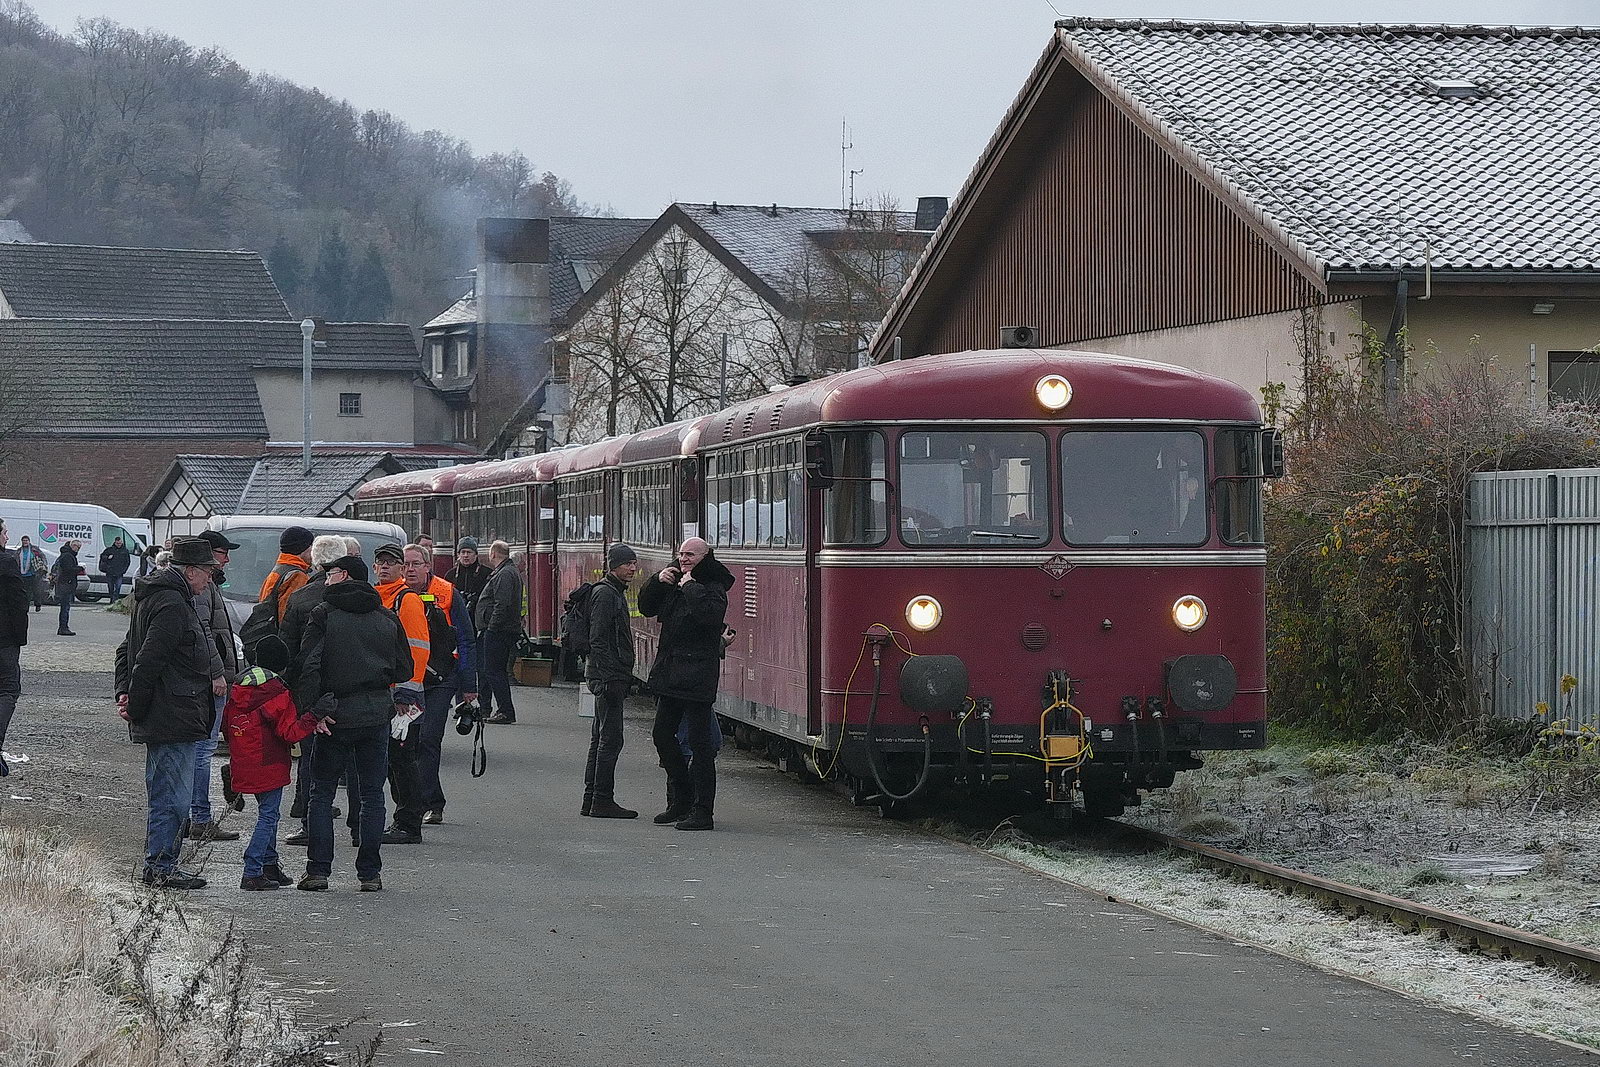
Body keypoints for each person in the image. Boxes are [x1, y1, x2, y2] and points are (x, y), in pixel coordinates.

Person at [292, 553, 411, 892]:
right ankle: (370, 873)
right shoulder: (386, 616)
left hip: (334, 713)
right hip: (375, 713)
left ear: (341, 577)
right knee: (372, 794)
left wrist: (313, 710)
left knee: (321, 792)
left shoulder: (324, 614)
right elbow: (404, 668)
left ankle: (318, 871)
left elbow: (308, 665)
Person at [114, 537, 223, 890]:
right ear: (190, 571)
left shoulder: (156, 597)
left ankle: (161, 863)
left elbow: (127, 650)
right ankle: (161, 866)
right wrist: (134, 704)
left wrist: (125, 692)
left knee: (168, 793)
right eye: (207, 571)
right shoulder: (173, 604)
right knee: (172, 797)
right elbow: (147, 659)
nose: (210, 578)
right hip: (172, 714)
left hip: (169, 712)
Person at [639, 536, 734, 831]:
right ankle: (682, 798)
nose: (684, 559)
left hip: (697, 676)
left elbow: (710, 617)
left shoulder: (714, 584)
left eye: (690, 554)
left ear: (705, 556)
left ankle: (703, 811)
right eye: (681, 553)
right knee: (662, 735)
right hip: (671, 672)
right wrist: (656, 581)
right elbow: (646, 608)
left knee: (700, 745)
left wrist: (690, 586)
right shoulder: (674, 577)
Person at [223, 634, 321, 891]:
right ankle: (252, 869)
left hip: (244, 760)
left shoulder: (238, 689)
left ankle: (269, 864)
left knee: (268, 814)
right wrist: (313, 717)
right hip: (270, 762)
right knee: (268, 816)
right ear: (282, 665)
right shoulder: (278, 693)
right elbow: (290, 733)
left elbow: (226, 726)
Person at [395, 542, 476, 828]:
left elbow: (466, 639)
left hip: (441, 678)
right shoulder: (394, 594)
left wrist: (469, 686)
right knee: (407, 742)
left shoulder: (447, 592)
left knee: (429, 739)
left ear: (428, 566)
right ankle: (413, 803)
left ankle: (432, 804)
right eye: (405, 564)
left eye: (416, 564)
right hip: (407, 679)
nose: (410, 569)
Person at [279, 534, 350, 842]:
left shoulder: (300, 598)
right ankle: (359, 826)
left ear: (315, 561)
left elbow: (288, 647)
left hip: (309, 690)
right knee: (354, 760)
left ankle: (309, 818)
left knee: (311, 757)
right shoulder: (361, 597)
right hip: (348, 689)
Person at [370, 543, 429, 843]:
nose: (384, 567)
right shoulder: (376, 598)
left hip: (403, 699)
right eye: (380, 562)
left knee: (403, 761)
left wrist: (407, 694)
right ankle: (403, 819)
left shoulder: (407, 600)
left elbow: (418, 648)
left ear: (401, 569)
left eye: (391, 563)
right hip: (385, 695)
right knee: (393, 761)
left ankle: (409, 823)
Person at [186, 530, 242, 843]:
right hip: (209, 681)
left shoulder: (210, 586)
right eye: (222, 553)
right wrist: (217, 673)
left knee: (199, 751)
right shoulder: (203, 589)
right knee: (202, 751)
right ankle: (200, 817)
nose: (227, 559)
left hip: (209, 678)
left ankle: (192, 816)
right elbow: (203, 632)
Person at [582, 543, 640, 819]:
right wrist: (609, 676)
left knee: (600, 737)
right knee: (610, 740)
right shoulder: (606, 594)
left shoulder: (611, 591)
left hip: (607, 674)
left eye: (634, 563)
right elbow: (598, 638)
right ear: (613, 566)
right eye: (627, 564)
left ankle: (591, 799)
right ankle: (602, 800)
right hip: (609, 676)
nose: (632, 568)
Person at [474, 540, 522, 725]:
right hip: (503, 629)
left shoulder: (505, 574)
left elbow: (502, 604)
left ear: (493, 554)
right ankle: (504, 709)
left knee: (494, 671)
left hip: (499, 630)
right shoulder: (506, 571)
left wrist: (492, 627)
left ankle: (505, 711)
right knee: (495, 670)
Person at [0, 518, 27, 777]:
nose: (8, 538)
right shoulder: (7, 562)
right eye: (5, 533)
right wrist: (19, 637)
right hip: (4, 639)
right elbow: (19, 601)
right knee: (8, 689)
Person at [258, 526, 314, 624]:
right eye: (311, 545)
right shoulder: (297, 576)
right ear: (302, 548)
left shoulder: (279, 569)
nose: (313, 551)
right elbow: (287, 614)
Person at [445, 537, 492, 619]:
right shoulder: (450, 575)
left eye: (469, 552)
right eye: (463, 552)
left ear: (476, 554)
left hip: (479, 617)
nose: (465, 555)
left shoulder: (487, 573)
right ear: (458, 555)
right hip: (456, 617)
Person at [52, 539, 82, 635]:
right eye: (77, 547)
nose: (78, 549)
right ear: (73, 546)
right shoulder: (68, 556)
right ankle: (63, 627)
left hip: (64, 583)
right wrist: (80, 568)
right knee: (65, 607)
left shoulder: (66, 555)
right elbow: (68, 570)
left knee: (65, 606)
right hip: (65, 583)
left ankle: (63, 627)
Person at [16, 535, 46, 612]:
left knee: (36, 590)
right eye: (23, 540)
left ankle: (38, 604)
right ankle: (26, 606)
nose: (25, 542)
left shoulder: (34, 549)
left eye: (26, 540)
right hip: (23, 574)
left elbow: (42, 557)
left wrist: (43, 566)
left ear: (29, 541)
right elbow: (15, 560)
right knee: (26, 591)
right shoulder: (19, 551)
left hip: (33, 574)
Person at [102, 536, 132, 602]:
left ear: (122, 543)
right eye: (117, 543)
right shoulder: (110, 550)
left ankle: (115, 600)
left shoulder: (125, 551)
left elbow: (127, 562)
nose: (119, 545)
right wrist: (107, 557)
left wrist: (124, 570)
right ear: (115, 542)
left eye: (120, 543)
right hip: (110, 572)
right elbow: (102, 556)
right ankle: (111, 599)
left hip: (119, 573)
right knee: (110, 587)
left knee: (118, 587)